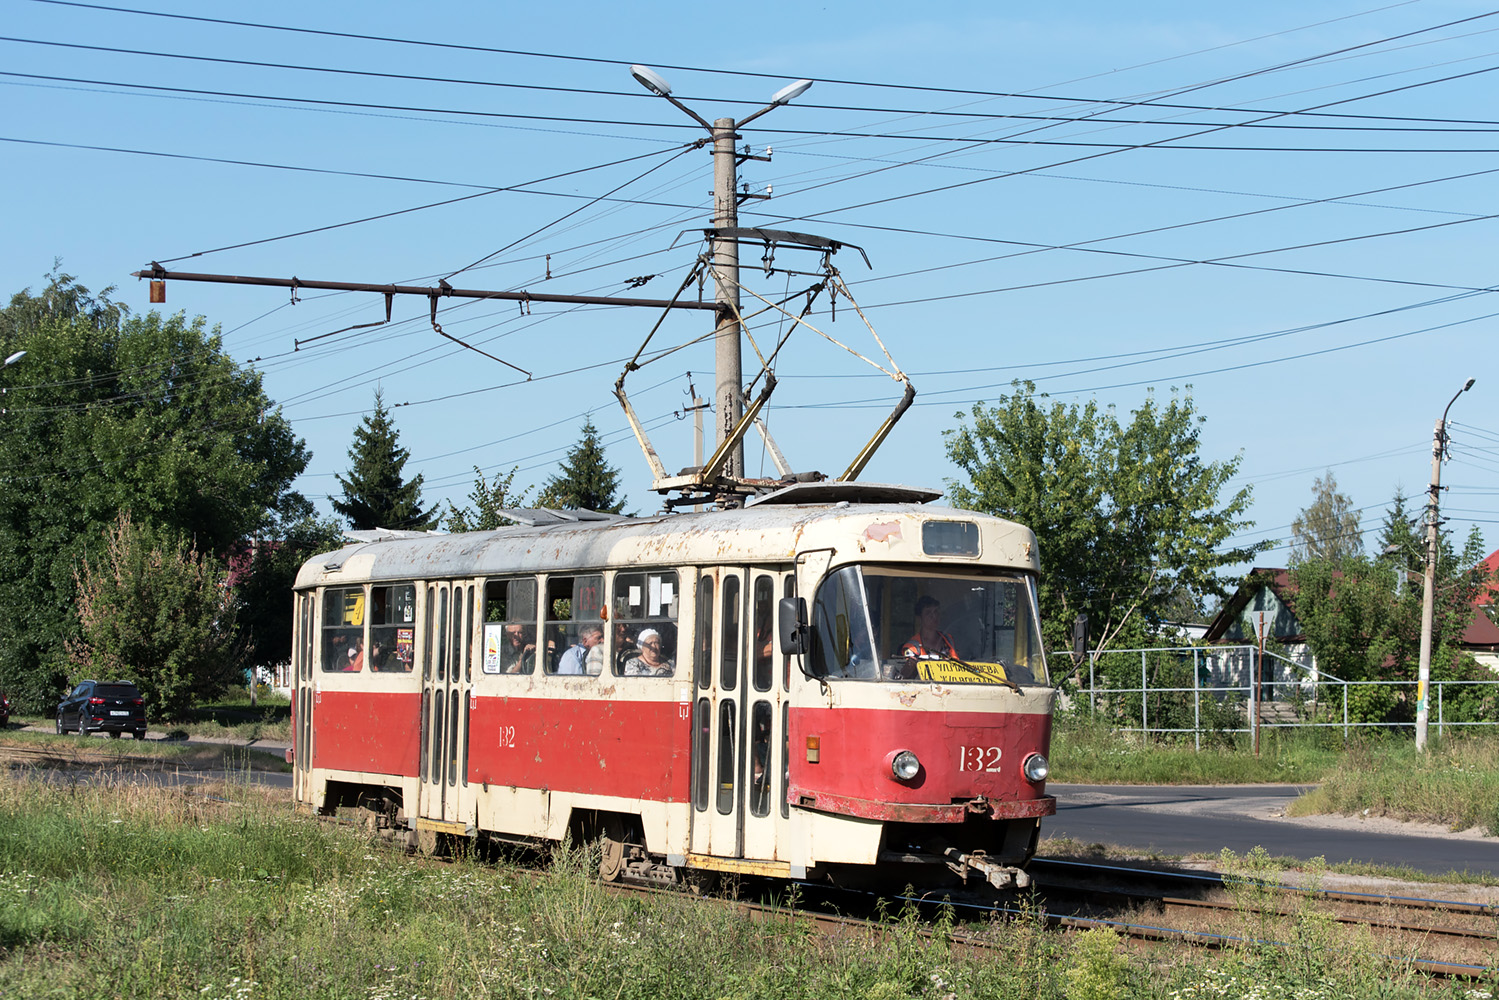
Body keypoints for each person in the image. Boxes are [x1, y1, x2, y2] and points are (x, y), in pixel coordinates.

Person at [899, 596, 958, 677]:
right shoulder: (912, 647)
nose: (934, 616)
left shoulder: (948, 639)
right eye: (928, 613)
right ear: (920, 618)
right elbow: (907, 675)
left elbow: (957, 665)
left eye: (936, 612)